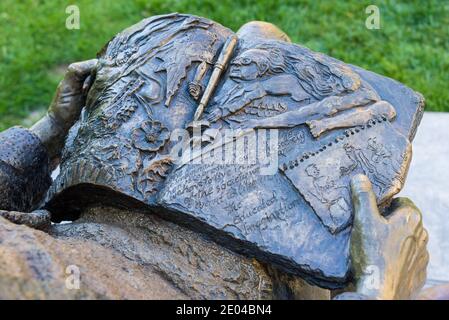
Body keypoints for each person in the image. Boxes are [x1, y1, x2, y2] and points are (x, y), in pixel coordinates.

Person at [0, 17, 431, 299]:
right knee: (262, 37)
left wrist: (48, 135)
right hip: (221, 283)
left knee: (259, 37)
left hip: (104, 229)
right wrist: (379, 285)